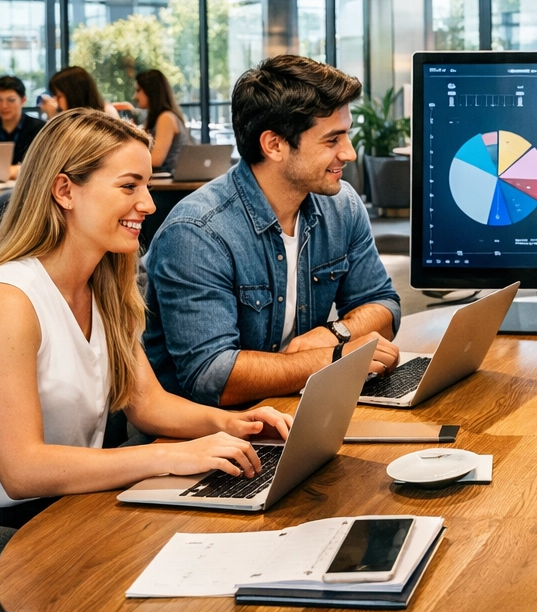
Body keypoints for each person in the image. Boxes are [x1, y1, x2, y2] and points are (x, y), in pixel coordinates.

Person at [0, 109, 292, 528]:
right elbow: (21, 470)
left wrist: (234, 424)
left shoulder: (104, 287)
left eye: (145, 185)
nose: (147, 204)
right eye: (128, 186)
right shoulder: (4, 300)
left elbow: (147, 403)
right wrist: (167, 456)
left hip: (60, 504)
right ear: (65, 191)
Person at [145, 55, 400, 406]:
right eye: (332, 140)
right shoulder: (198, 232)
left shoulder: (341, 205)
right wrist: (335, 358)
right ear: (275, 145)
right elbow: (211, 375)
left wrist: (336, 332)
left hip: (293, 408)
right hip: (209, 437)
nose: (350, 153)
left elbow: (384, 305)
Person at [0, 74, 47, 179]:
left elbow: (43, 164)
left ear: (23, 100)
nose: (4, 105)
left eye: (11, 100)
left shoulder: (39, 128)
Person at [134, 69, 191, 174]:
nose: (135, 97)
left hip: (168, 184)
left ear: (150, 91)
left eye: (138, 91)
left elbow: (156, 160)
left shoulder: (166, 118)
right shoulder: (163, 117)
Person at [48, 66, 120, 118]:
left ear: (74, 95)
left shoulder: (105, 116)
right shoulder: (76, 117)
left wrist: (51, 115)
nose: (55, 100)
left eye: (59, 96)